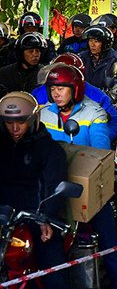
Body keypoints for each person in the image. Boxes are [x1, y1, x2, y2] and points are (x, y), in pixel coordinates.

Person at [39, 64, 117, 287]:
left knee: (109, 240)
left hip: (87, 186)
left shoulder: (94, 112)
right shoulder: (44, 113)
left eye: (62, 88)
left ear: (76, 89)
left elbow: (99, 152)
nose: (56, 94)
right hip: (52, 187)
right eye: (53, 88)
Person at [0, 91, 69, 288]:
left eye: (21, 122)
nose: (14, 128)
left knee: (53, 267)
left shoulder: (49, 150)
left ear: (33, 120)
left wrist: (46, 217)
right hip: (3, 216)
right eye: (8, 122)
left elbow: (54, 185)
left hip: (34, 216)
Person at [31, 53, 117, 141]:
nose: (56, 93)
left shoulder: (97, 96)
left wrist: (98, 137)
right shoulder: (38, 93)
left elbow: (115, 121)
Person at [78, 25, 117, 89]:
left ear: (105, 44)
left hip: (104, 96)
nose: (92, 44)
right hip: (84, 96)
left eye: (96, 41)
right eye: (90, 40)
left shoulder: (114, 59)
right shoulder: (82, 57)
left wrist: (113, 85)